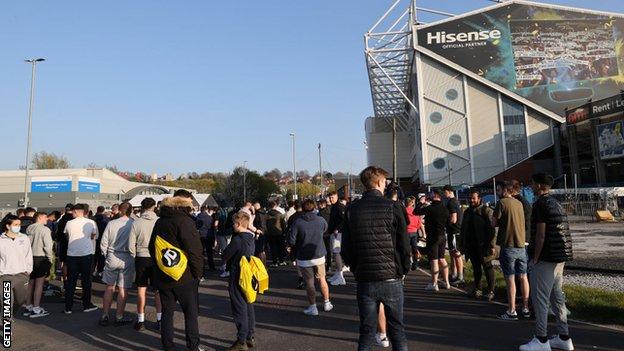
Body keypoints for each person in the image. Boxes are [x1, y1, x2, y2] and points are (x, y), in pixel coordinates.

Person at [342, 166, 410, 351]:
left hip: (365, 277)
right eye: (385, 182)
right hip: (391, 276)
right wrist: (403, 269)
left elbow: (346, 248)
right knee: (397, 330)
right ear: (380, 182)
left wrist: (355, 268)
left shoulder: (352, 209)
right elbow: (403, 244)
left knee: (366, 332)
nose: (386, 185)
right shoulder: (393, 206)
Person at [519, 174, 574, 351]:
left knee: (540, 299)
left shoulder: (540, 204)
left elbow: (540, 234)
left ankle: (541, 339)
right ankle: (564, 337)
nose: (531, 186)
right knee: (557, 297)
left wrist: (535, 258)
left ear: (540, 186)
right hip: (560, 255)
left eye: (533, 183)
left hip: (546, 256)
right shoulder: (556, 202)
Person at [148, 190, 205, 351]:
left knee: (167, 313)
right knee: (191, 313)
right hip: (185, 276)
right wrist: (198, 273)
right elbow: (195, 250)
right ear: (185, 206)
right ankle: (193, 346)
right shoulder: (185, 222)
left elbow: (153, 247)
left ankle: (168, 346)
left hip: (164, 275)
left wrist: (161, 267)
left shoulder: (160, 221)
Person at [287, 199, 333, 316]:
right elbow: (325, 230)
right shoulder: (321, 220)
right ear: (314, 208)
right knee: (322, 279)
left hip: (304, 256)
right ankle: (327, 302)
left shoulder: (297, 222)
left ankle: (313, 307)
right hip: (318, 254)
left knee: (309, 283)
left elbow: (292, 240)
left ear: (302, 208)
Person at [493, 182, 530, 321]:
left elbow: (493, 223)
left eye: (498, 189)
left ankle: (512, 310)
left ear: (504, 190)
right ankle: (526, 308)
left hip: (508, 245)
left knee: (510, 279)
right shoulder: (519, 203)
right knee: (523, 276)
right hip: (521, 245)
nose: (497, 192)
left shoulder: (501, 203)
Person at [222, 211, 257, 351]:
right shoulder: (251, 238)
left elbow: (225, 255)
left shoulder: (237, 240)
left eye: (233, 223)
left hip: (237, 274)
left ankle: (241, 340)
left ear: (237, 224)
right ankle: (250, 336)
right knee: (248, 305)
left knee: (239, 307)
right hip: (248, 274)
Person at [99, 202, 135, 326]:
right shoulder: (133, 224)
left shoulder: (111, 223)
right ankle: (119, 315)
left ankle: (105, 314)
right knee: (123, 288)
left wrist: (106, 255)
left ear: (119, 210)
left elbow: (103, 242)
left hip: (112, 255)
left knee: (110, 287)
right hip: (127, 257)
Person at [129, 197, 162, 331]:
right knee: (158, 291)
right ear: (154, 207)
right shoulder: (159, 222)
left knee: (141, 290)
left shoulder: (136, 223)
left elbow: (131, 244)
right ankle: (160, 320)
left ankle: (141, 320)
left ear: (142, 207)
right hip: (156, 259)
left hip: (141, 258)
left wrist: (135, 256)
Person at [460, 189, 496, 301]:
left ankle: (490, 291)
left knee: (488, 267)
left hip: (484, 245)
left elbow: (492, 230)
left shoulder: (486, 211)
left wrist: (492, 246)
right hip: (471, 245)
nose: (471, 200)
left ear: (479, 199)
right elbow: (463, 229)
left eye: (473, 198)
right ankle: (478, 289)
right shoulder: (467, 212)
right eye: (470, 198)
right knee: (476, 268)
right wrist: (462, 244)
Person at [63, 203, 99, 314]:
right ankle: (86, 305)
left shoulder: (69, 223)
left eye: (73, 212)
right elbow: (94, 236)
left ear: (77, 212)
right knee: (86, 281)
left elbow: (67, 235)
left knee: (71, 281)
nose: (72, 213)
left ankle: (68, 307)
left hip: (72, 254)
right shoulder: (91, 222)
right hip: (86, 254)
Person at [415, 189, 450, 291]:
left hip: (433, 237)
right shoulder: (445, 209)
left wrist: (420, 203)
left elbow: (416, 211)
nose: (429, 195)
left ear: (435, 195)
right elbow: (448, 222)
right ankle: (447, 282)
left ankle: (434, 284)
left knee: (434, 260)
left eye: (431, 194)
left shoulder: (430, 208)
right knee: (442, 259)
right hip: (442, 236)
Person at [0, 215, 33, 316]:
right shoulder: (1, 240)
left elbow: (28, 255)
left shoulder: (24, 238)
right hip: (5, 276)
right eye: (15, 224)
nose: (18, 226)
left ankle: (10, 315)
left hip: (22, 275)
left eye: (19, 224)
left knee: (20, 301)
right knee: (6, 304)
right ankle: (7, 328)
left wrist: (28, 270)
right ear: (8, 226)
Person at [23, 212, 53, 318]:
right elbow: (48, 247)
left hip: (30, 258)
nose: (47, 219)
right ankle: (36, 308)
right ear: (39, 218)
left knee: (30, 283)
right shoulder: (45, 229)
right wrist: (50, 259)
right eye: (45, 217)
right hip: (41, 257)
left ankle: (28, 306)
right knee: (39, 284)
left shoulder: (29, 228)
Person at [443, 185, 464, 286]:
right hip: (455, 231)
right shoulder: (456, 201)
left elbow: (454, 218)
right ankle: (454, 274)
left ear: (450, 191)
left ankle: (460, 277)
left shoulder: (451, 202)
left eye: (445, 192)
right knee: (452, 253)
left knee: (456, 253)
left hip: (454, 231)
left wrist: (445, 224)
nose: (444, 194)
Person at [327, 191, 346, 285]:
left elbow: (344, 219)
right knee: (335, 254)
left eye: (332, 197)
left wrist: (337, 229)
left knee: (336, 253)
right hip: (334, 233)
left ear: (337, 197)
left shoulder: (339, 207)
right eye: (330, 197)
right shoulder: (334, 206)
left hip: (338, 234)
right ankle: (338, 274)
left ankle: (341, 277)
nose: (331, 199)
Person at [405, 197, 426, 271]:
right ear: (412, 203)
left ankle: (407, 264)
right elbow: (419, 223)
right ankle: (415, 263)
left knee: (406, 249)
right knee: (415, 249)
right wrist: (422, 233)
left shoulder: (404, 211)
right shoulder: (415, 211)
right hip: (414, 232)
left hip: (406, 232)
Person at [265, 201, 286, 267]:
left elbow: (265, 224)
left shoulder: (267, 215)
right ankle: (281, 260)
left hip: (270, 233)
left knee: (273, 248)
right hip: (279, 232)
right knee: (281, 247)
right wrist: (284, 231)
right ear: (275, 206)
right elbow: (283, 224)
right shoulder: (279, 214)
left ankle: (274, 262)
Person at [93, 206, 111, 280]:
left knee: (94, 257)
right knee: (101, 256)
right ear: (103, 211)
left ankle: (92, 270)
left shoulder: (92, 219)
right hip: (103, 239)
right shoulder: (107, 220)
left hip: (93, 240)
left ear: (97, 210)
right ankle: (100, 271)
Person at [197, 205, 216, 271]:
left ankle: (201, 266)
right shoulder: (210, 218)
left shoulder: (197, 217)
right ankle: (211, 266)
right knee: (209, 252)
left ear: (201, 210)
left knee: (201, 252)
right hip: (208, 236)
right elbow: (212, 228)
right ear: (206, 210)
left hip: (200, 236)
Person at [317, 199, 332, 271]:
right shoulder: (330, 212)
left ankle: (323, 265)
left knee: (322, 250)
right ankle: (329, 265)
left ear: (322, 205)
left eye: (319, 205)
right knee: (329, 250)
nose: (318, 206)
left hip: (322, 234)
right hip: (329, 233)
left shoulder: (319, 214)